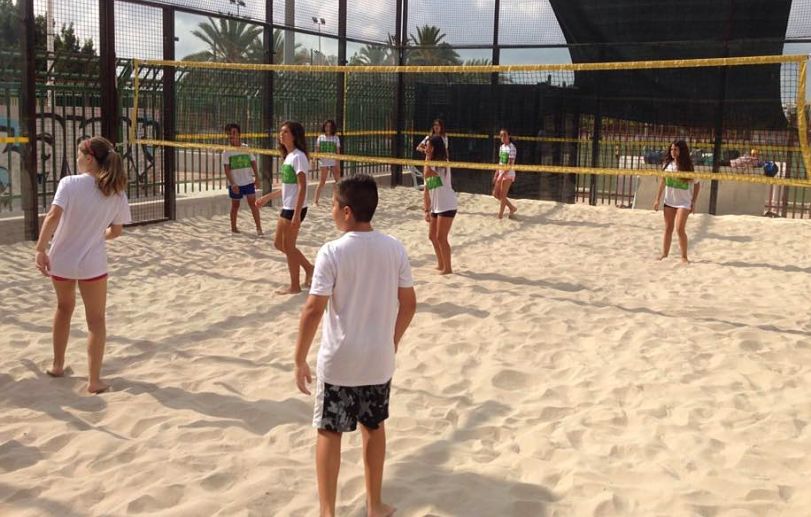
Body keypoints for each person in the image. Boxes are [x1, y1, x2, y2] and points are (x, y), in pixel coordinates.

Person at [294, 174, 417, 517]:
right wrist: (391, 340)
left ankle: (328, 512)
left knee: (329, 432)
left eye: (333, 205)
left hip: (340, 361)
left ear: (347, 212)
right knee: (374, 428)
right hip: (378, 359)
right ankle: (374, 504)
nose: (331, 211)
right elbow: (409, 304)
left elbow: (313, 309)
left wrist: (299, 358)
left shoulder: (332, 251)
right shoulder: (394, 247)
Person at [34, 136, 131, 394]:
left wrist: (40, 249)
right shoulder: (116, 191)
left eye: (79, 154)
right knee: (96, 321)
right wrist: (100, 235)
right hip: (92, 264)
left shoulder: (69, 183)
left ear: (89, 158)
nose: (76, 158)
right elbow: (117, 230)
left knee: (63, 309)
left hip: (62, 259)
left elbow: (53, 216)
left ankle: (57, 365)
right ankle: (94, 380)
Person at [256, 121, 313, 294]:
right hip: (288, 206)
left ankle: (295, 286)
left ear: (295, 135)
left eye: (286, 132)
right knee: (279, 244)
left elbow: (302, 187)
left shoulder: (298, 157)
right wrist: (268, 197)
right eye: (281, 132)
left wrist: (296, 214)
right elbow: (287, 187)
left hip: (295, 208)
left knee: (288, 246)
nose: (281, 135)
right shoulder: (288, 157)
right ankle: (309, 268)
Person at [653, 140, 701, 263]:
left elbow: (697, 184)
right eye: (672, 149)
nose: (673, 152)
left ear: (682, 151)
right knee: (668, 228)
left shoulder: (688, 167)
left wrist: (693, 202)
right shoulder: (668, 165)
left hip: (684, 203)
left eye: (676, 150)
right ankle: (664, 254)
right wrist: (657, 199)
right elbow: (663, 182)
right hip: (669, 201)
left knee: (679, 229)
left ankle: (684, 257)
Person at [422, 135, 457, 275]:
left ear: (435, 147)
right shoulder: (431, 163)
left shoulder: (442, 163)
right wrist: (426, 209)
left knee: (441, 237)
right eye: (426, 146)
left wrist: (427, 158)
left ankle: (447, 268)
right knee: (432, 236)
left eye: (429, 146)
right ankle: (441, 263)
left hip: (447, 204)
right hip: (437, 205)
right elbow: (427, 188)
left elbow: (427, 173)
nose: (426, 149)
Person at [222, 123, 263, 235]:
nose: (232, 135)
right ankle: (234, 228)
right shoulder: (226, 151)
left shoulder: (245, 148)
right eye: (229, 133)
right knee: (235, 206)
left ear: (239, 134)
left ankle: (259, 228)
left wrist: (257, 178)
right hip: (236, 184)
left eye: (234, 133)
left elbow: (253, 163)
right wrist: (233, 184)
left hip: (248, 182)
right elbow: (227, 169)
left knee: (253, 204)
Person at [313, 119, 342, 207]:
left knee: (338, 181)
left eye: (330, 126)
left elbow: (337, 151)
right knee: (322, 181)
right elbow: (317, 150)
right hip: (324, 161)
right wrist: (314, 159)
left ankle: (335, 200)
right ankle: (315, 201)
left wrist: (338, 163)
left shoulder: (335, 138)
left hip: (333, 161)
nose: (328, 128)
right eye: (326, 126)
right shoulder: (321, 137)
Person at [493, 128, 518, 219]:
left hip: (508, 174)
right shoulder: (502, 147)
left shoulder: (512, 147)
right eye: (501, 136)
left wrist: (502, 175)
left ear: (508, 136)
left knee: (503, 195)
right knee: (496, 194)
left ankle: (500, 215)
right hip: (501, 172)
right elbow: (500, 161)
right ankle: (512, 208)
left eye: (504, 135)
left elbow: (510, 164)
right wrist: (496, 173)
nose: (503, 137)